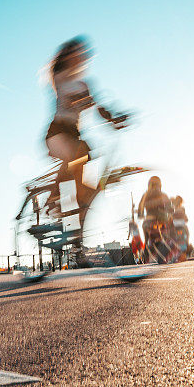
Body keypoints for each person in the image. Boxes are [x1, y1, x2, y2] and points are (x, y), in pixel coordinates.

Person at [44, 37, 127, 239]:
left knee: (82, 188)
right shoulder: (60, 76)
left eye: (82, 53)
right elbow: (71, 97)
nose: (80, 56)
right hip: (57, 134)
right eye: (76, 52)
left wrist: (114, 117)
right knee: (78, 154)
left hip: (75, 136)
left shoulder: (84, 84)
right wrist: (84, 100)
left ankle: (73, 232)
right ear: (68, 56)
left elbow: (97, 107)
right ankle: (52, 200)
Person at [137, 176, 171, 245]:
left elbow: (140, 208)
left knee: (146, 240)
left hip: (149, 220)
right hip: (162, 220)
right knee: (168, 238)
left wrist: (140, 214)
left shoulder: (145, 195)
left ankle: (146, 250)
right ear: (160, 185)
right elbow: (170, 208)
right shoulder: (163, 195)